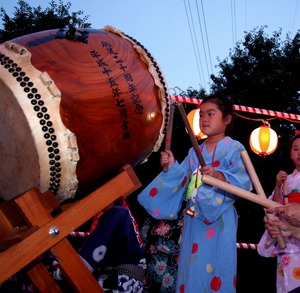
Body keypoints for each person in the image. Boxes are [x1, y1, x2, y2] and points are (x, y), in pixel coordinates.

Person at [138, 94, 252, 292]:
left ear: (227, 119)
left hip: (220, 219)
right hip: (194, 217)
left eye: (210, 114)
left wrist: (219, 175)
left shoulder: (234, 148)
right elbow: (183, 182)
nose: (204, 119)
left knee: (218, 264)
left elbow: (244, 180)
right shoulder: (194, 152)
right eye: (201, 115)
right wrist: (172, 165)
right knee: (193, 265)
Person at [258, 133, 300, 293]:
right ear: (290, 154)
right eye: (296, 149)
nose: (299, 153)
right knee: (285, 283)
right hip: (286, 238)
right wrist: (277, 186)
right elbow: (273, 207)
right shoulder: (286, 180)